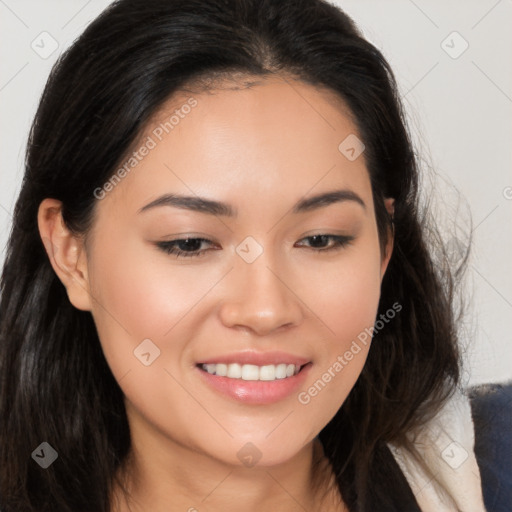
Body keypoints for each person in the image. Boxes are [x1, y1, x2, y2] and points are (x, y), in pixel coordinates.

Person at [0, 0, 501, 510]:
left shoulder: (492, 467)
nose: (266, 310)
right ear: (72, 254)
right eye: (189, 243)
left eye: (321, 239)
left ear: (383, 245)